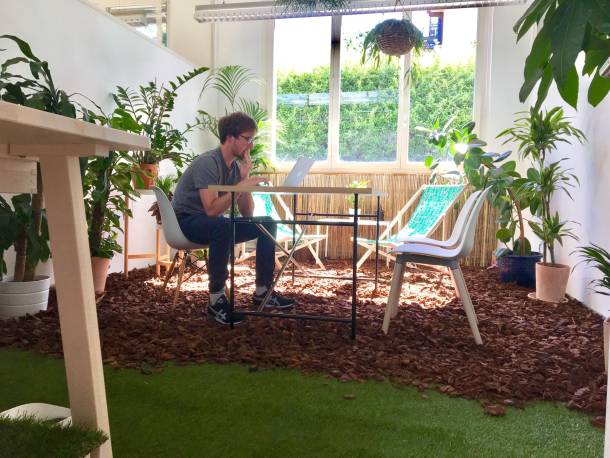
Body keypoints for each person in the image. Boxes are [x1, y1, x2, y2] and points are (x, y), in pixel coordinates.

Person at [172, 112, 295, 325]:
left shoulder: (235, 168)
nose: (251, 145)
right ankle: (216, 300)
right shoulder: (208, 163)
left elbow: (247, 213)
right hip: (186, 221)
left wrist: (244, 179)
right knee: (222, 226)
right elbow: (211, 210)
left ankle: (263, 291)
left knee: (266, 223)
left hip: (212, 223)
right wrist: (239, 187)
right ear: (230, 137)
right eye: (248, 139)